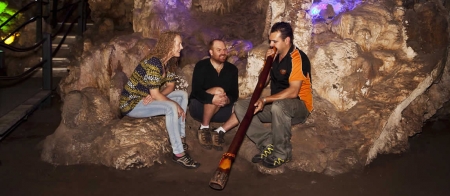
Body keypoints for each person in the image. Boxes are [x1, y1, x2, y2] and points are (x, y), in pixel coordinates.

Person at [214, 22, 313, 168]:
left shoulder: (297, 58)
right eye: (270, 41)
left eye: (275, 41)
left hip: (299, 107)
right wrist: (267, 62)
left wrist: (265, 100)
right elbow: (264, 80)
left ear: (287, 41)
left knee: (278, 106)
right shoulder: (276, 55)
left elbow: (293, 92)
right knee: (241, 106)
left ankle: (282, 153)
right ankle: (267, 143)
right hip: (276, 106)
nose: (271, 44)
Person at [119, 31, 200, 169]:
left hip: (145, 99)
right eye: (178, 44)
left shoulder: (167, 63)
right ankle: (178, 153)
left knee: (182, 95)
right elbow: (156, 94)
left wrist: (156, 94)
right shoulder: (153, 62)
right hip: (132, 103)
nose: (181, 47)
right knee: (171, 107)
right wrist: (165, 99)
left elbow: (171, 86)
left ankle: (180, 138)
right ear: (169, 45)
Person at [189, 39, 239, 151]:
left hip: (221, 111)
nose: (223, 52)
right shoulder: (201, 66)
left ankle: (219, 131)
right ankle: (204, 127)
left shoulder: (232, 69)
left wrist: (226, 100)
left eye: (225, 50)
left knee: (247, 107)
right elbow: (196, 91)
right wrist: (212, 99)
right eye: (219, 50)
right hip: (199, 109)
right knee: (218, 90)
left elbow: (234, 94)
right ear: (211, 52)